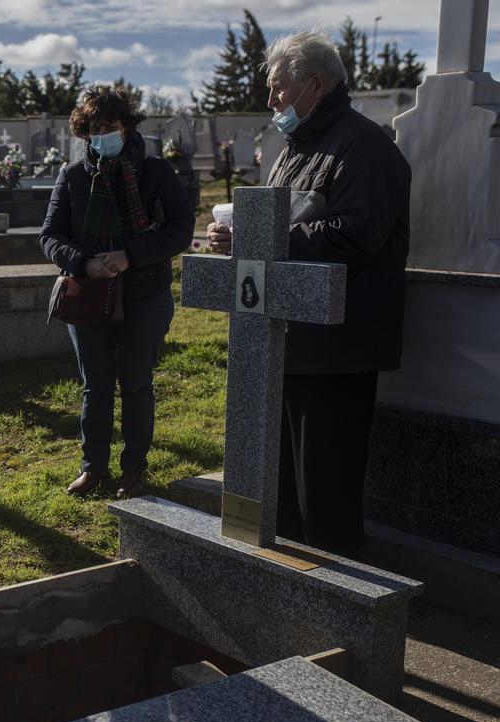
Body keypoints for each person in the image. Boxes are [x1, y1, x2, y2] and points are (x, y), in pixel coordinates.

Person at [206, 29, 410, 558]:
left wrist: (265, 237)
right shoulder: (295, 149)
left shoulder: (365, 148)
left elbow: (357, 236)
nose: (270, 100)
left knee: (325, 498)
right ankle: (291, 591)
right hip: (286, 341)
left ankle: (341, 603)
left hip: (338, 349)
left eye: (278, 88)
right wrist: (235, 237)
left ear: (315, 85)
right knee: (283, 498)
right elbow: (278, 225)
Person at [41, 84, 193, 499]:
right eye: (93, 128)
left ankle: (134, 471)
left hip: (144, 293)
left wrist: (131, 255)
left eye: (109, 126)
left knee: (137, 383)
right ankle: (93, 467)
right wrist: (83, 263)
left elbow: (181, 228)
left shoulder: (155, 172)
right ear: (83, 132)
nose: (101, 135)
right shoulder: (72, 176)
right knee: (96, 384)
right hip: (90, 295)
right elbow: (51, 236)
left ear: (127, 126)